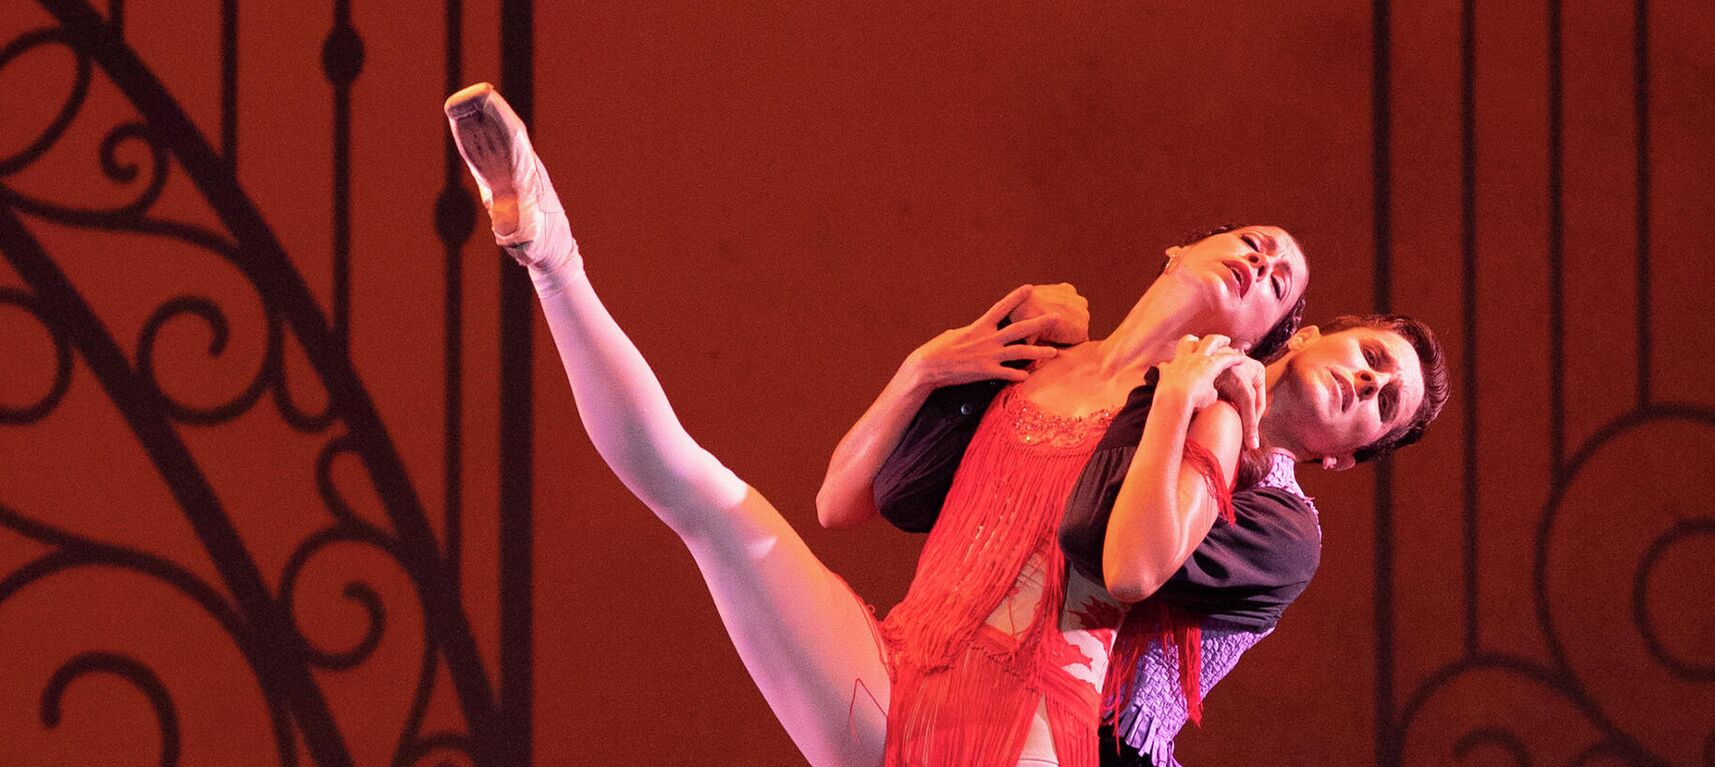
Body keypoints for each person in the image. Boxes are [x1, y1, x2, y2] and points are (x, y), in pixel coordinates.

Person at [443, 82, 1307, 767]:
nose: (1262, 262)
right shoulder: (1034, 353)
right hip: (895, 661)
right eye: (1258, 242)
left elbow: (1132, 565)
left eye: (1278, 283)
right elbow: (837, 500)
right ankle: (554, 260)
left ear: (1257, 342)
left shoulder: (1207, 417)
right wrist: (922, 367)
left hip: (1032, 718)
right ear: (1180, 248)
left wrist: (1195, 395)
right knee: (705, 498)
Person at [842, 313, 1449, 767]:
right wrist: (1025, 344)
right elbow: (902, 493)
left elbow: (1102, 542)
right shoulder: (1143, 389)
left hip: (1095, 741)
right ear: (1307, 334)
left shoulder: (1285, 532)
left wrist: (1188, 398)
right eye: (1372, 356)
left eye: (1386, 401)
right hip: (950, 667)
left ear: (1344, 458)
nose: (1370, 382)